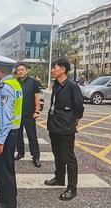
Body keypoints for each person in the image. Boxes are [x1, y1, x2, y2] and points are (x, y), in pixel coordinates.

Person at [44, 58, 84, 201]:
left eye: (54, 68)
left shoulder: (72, 86)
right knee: (57, 154)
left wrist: (74, 121)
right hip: (53, 125)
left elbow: (79, 106)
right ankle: (59, 178)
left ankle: (72, 189)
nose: (52, 70)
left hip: (66, 127)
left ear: (63, 70)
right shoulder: (56, 85)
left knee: (68, 157)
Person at [0, 55, 23, 208]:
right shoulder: (14, 83)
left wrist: (0, 141)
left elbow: (6, 117)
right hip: (12, 134)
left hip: (4, 135)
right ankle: (6, 195)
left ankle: (8, 203)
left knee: (3, 171)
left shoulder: (5, 87)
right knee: (8, 168)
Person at [13, 63, 41, 168]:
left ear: (26, 71)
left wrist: (37, 111)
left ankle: (36, 156)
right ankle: (20, 152)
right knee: (18, 135)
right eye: (18, 70)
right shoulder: (15, 82)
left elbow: (37, 97)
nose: (20, 71)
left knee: (32, 136)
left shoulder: (33, 82)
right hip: (17, 114)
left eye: (22, 70)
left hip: (30, 114)